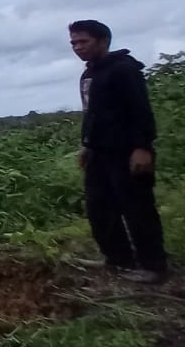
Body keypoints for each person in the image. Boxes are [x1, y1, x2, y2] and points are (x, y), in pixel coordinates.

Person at [69, 20, 168, 284]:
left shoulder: (124, 70)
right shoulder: (89, 74)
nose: (78, 48)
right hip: (99, 152)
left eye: (83, 42)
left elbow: (140, 111)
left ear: (103, 41)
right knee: (99, 208)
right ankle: (118, 258)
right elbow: (92, 114)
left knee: (137, 208)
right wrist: (87, 144)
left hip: (127, 151)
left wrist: (142, 147)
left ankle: (153, 265)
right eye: (74, 43)